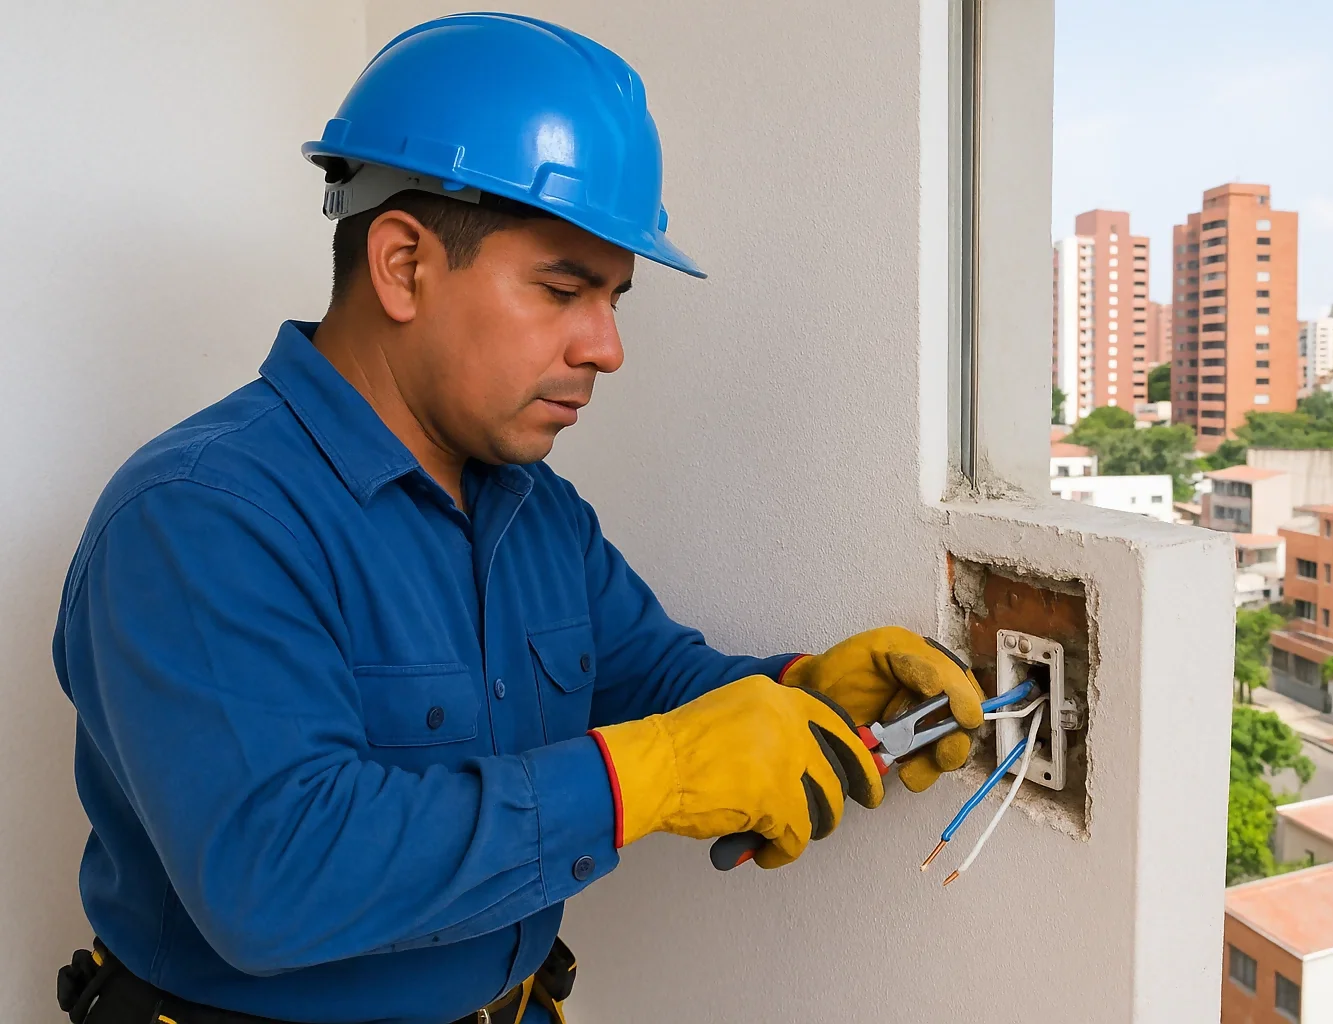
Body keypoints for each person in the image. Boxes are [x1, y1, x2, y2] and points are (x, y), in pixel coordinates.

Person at [52, 14, 982, 1024]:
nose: (607, 347)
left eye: (615, 299)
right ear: (404, 264)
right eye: (564, 289)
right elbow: (273, 877)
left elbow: (652, 688)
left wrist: (801, 690)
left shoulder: (537, 515)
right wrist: (652, 776)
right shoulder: (200, 520)